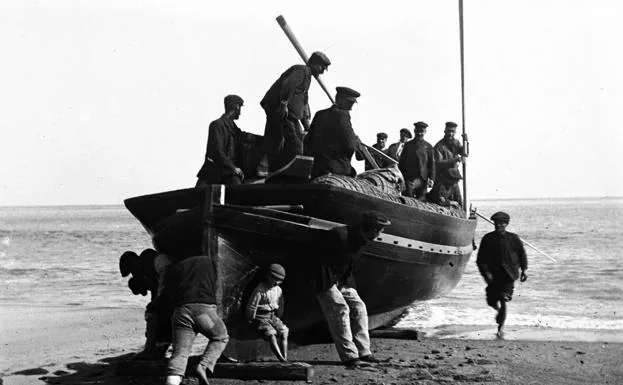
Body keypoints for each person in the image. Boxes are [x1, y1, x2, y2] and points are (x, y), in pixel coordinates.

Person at [310, 211, 390, 368]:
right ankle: (350, 357)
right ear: (373, 230)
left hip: (341, 280)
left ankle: (364, 352)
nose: (380, 234)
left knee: (359, 307)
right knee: (341, 309)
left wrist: (347, 286)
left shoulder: (361, 239)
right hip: (324, 278)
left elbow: (349, 265)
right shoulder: (339, 236)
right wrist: (328, 285)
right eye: (380, 231)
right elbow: (318, 261)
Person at [260, 52, 331, 173]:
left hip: (285, 112)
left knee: (280, 141)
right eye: (322, 67)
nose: (322, 71)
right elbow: (288, 85)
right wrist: (283, 104)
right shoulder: (302, 70)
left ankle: (271, 169)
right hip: (281, 111)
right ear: (314, 63)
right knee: (296, 144)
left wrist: (306, 123)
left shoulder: (307, 76)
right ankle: (290, 173)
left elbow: (303, 101)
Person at [163, 256, 229, 385]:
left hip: (181, 312)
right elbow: (219, 288)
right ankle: (203, 365)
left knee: (180, 353)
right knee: (220, 337)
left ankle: (172, 381)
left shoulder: (178, 266)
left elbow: (168, 292)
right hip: (204, 313)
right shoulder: (210, 262)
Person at [476, 212, 528, 339]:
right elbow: (480, 259)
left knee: (504, 299)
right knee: (491, 301)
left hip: (509, 274)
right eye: (496, 222)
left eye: (502, 223)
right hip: (493, 276)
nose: (498, 225)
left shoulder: (513, 238)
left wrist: (524, 270)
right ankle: (499, 312)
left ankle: (500, 328)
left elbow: (522, 254)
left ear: (506, 224)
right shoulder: (487, 238)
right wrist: (486, 274)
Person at [304, 86, 361, 178]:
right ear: (340, 99)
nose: (351, 108)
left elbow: (308, 141)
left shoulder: (319, 114)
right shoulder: (343, 115)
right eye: (350, 103)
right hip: (337, 169)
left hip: (317, 169)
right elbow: (350, 145)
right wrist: (356, 141)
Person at [196, 95, 245, 187]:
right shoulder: (216, 125)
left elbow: (245, 136)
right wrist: (233, 168)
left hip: (228, 173)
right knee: (195, 197)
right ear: (236, 106)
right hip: (213, 173)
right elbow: (218, 152)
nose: (240, 113)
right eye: (240, 108)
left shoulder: (234, 128)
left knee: (238, 193)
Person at [245, 263, 289, 362]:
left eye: (279, 281)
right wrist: (250, 318)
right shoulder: (260, 290)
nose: (277, 283)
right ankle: (281, 359)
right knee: (271, 334)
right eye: (275, 279)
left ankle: (285, 357)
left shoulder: (278, 290)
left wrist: (279, 315)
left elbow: (280, 303)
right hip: (261, 317)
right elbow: (252, 305)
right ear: (268, 277)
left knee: (284, 332)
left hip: (272, 316)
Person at [432, 121, 468, 204]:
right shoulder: (439, 146)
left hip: (454, 178)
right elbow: (439, 162)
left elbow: (465, 154)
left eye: (453, 131)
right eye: (449, 131)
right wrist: (455, 159)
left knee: (459, 201)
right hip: (442, 178)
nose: (451, 134)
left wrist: (466, 142)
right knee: (441, 201)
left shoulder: (456, 143)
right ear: (445, 131)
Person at [398, 121, 435, 199]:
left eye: (421, 131)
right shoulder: (408, 145)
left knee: (422, 201)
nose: (419, 133)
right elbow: (401, 163)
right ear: (414, 131)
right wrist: (400, 178)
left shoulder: (428, 147)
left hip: (423, 179)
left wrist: (431, 178)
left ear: (425, 132)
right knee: (407, 199)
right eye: (417, 131)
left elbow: (432, 164)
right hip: (408, 178)